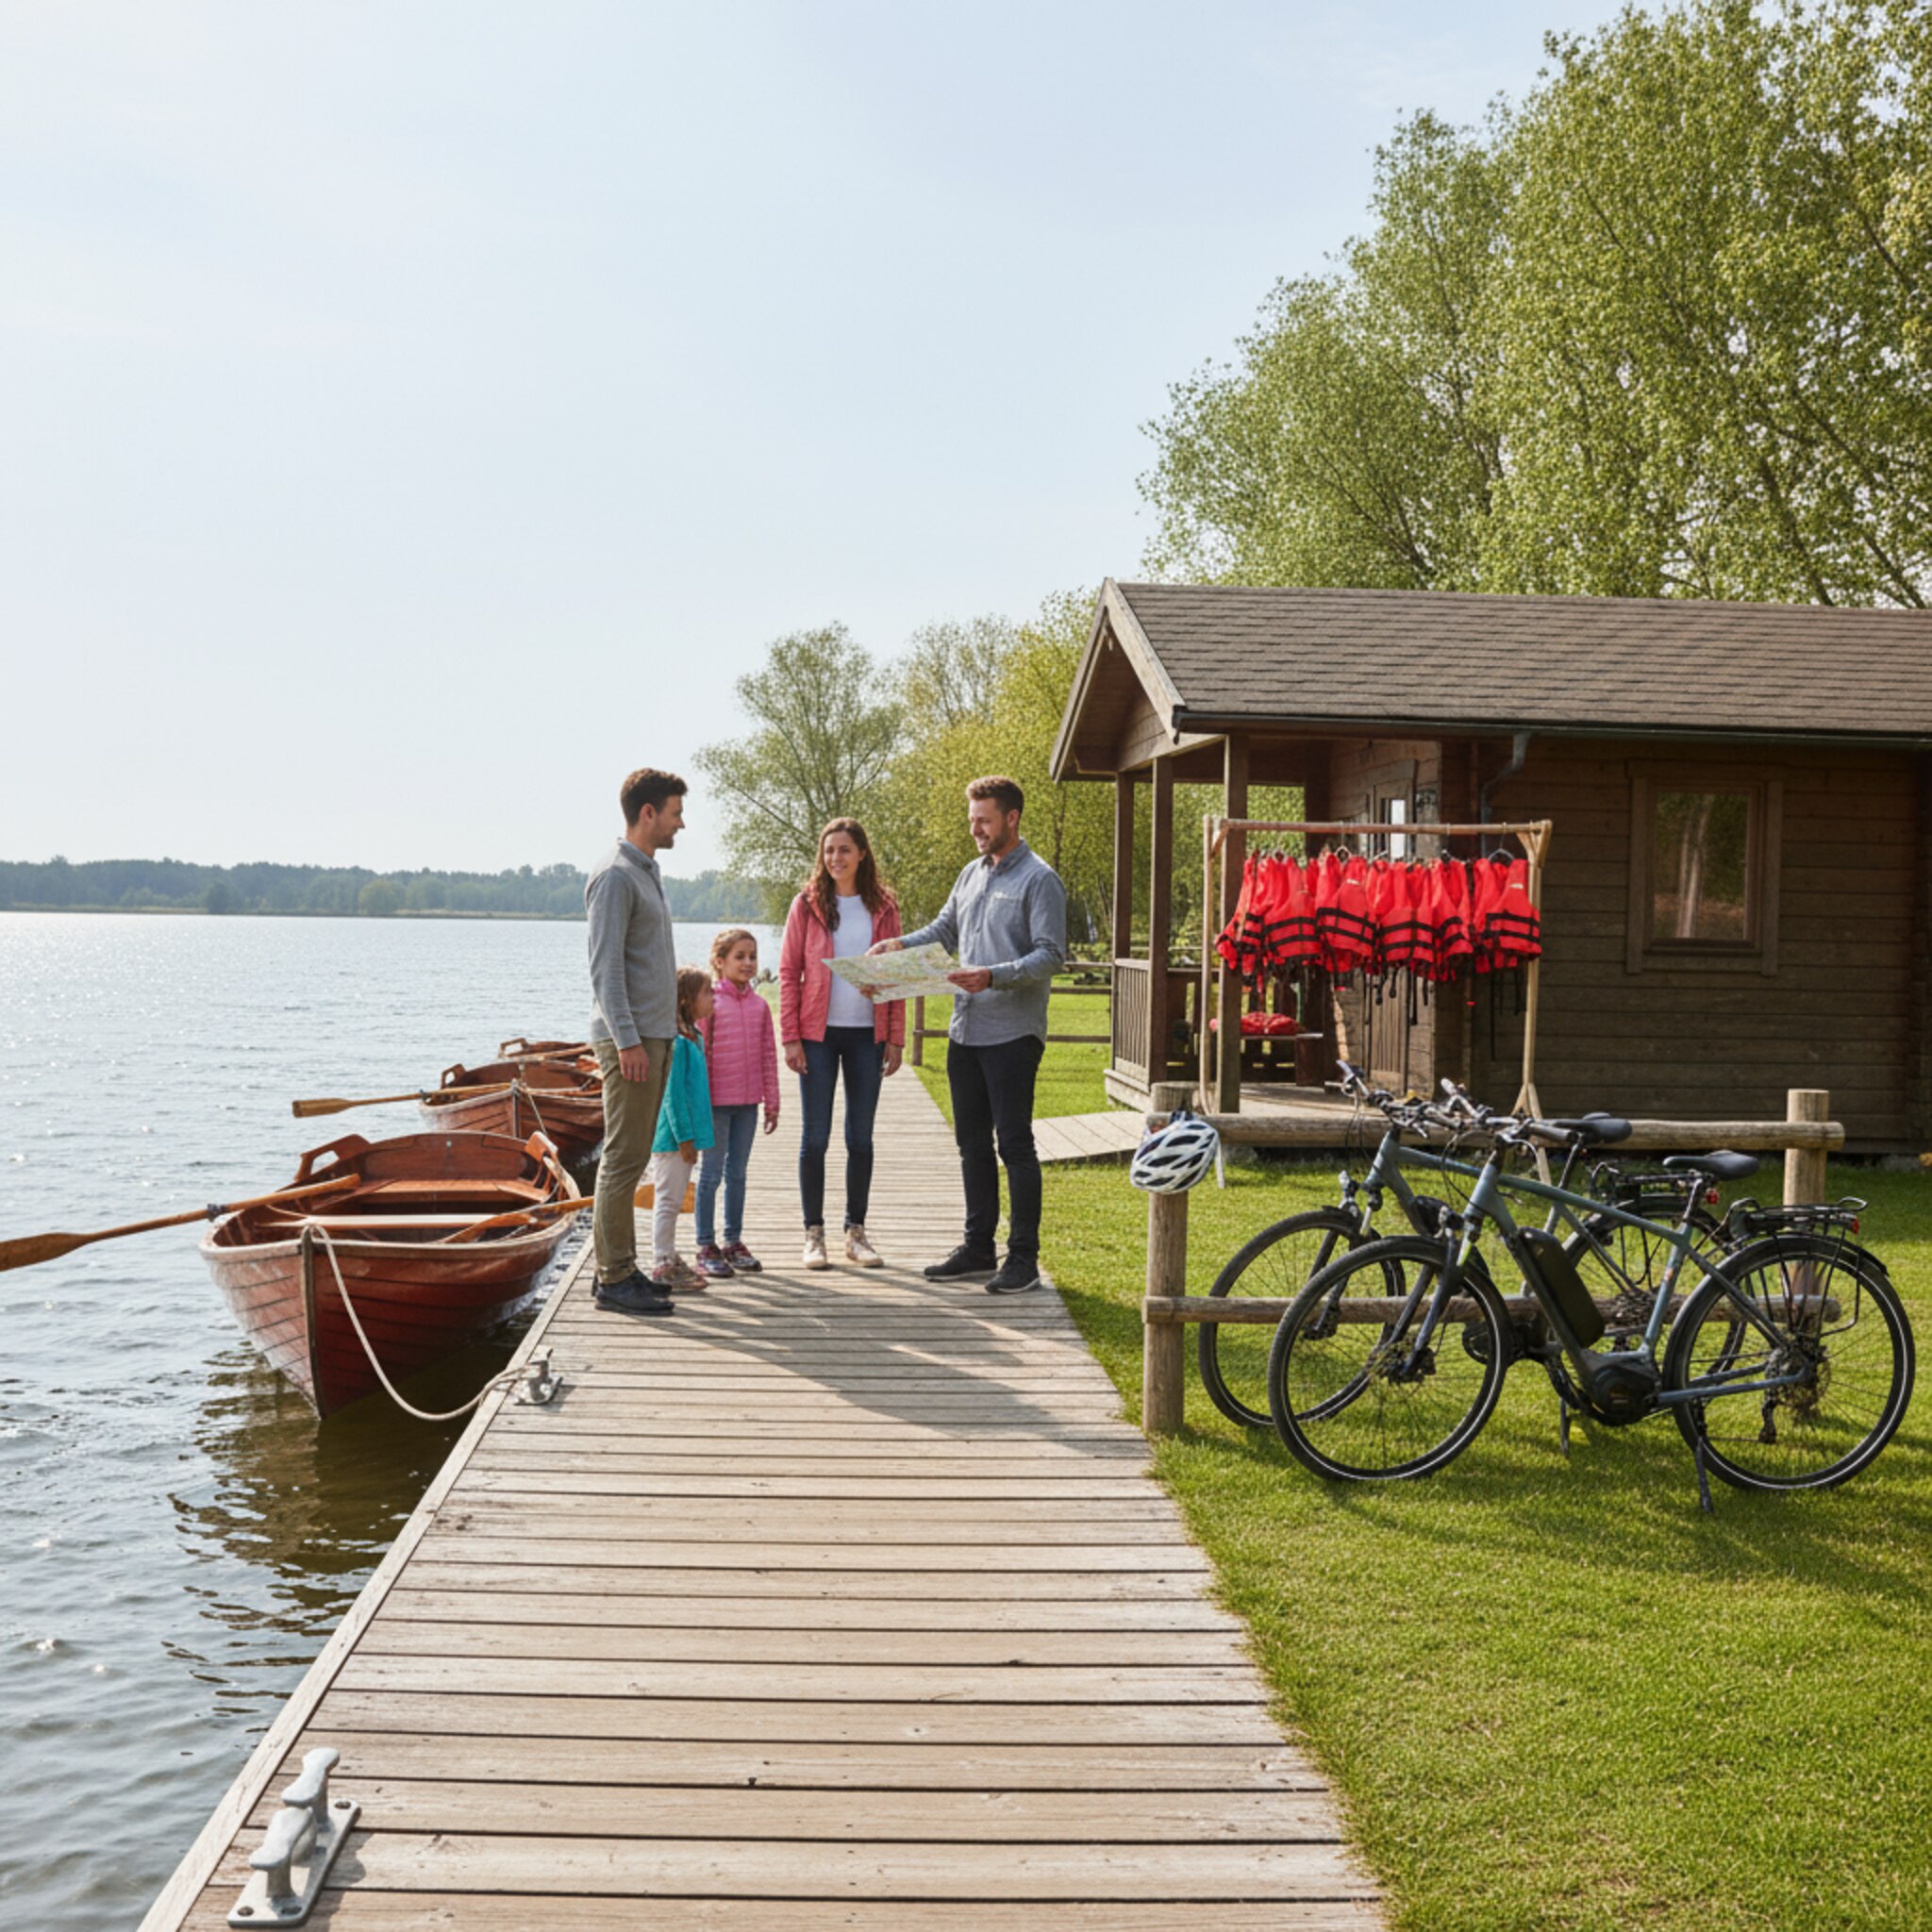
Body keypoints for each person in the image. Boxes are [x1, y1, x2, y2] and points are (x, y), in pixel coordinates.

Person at [871, 774, 1066, 1293]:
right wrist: (898, 946)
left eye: (984, 820)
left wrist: (994, 974)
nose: (975, 829)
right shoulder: (970, 874)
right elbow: (942, 931)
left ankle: (1022, 1258)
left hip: (1012, 1033)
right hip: (966, 1031)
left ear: (1012, 818)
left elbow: (1051, 954)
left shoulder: (1040, 880)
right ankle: (979, 1247)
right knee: (971, 1145)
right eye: (972, 820)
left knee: (1015, 1146)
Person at [777, 817, 905, 1270]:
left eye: (845, 850)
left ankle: (856, 1232)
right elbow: (789, 972)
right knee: (814, 1138)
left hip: (867, 1036)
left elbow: (896, 974)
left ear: (862, 854)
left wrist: (895, 1038)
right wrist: (790, 1036)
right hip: (817, 1036)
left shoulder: (884, 907)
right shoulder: (807, 904)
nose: (836, 858)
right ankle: (814, 1235)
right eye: (829, 850)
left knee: (861, 1139)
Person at [586, 767, 686, 1317]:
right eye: (675, 812)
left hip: (653, 1034)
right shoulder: (616, 876)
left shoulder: (645, 872)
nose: (681, 822)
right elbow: (605, 971)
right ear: (648, 813)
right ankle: (613, 1277)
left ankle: (620, 1267)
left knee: (635, 1155)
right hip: (631, 1041)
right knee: (623, 1158)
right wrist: (627, 1041)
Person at [694, 927, 780, 1278]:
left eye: (752, 957)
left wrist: (771, 1100)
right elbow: (698, 1056)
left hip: (748, 1103)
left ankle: (733, 1241)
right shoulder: (708, 1003)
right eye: (739, 957)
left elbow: (768, 1057)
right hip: (716, 1103)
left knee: (738, 1174)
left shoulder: (760, 1006)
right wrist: (696, 1104)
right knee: (711, 1173)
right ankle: (705, 1244)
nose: (748, 963)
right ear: (720, 962)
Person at [646, 966, 717, 1291]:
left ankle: (670, 1254)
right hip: (673, 1138)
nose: (713, 997)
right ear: (687, 999)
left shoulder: (694, 1037)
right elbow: (673, 1097)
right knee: (668, 1199)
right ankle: (661, 1261)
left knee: (674, 1198)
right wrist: (685, 1139)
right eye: (707, 992)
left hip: (686, 1138)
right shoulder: (677, 1042)